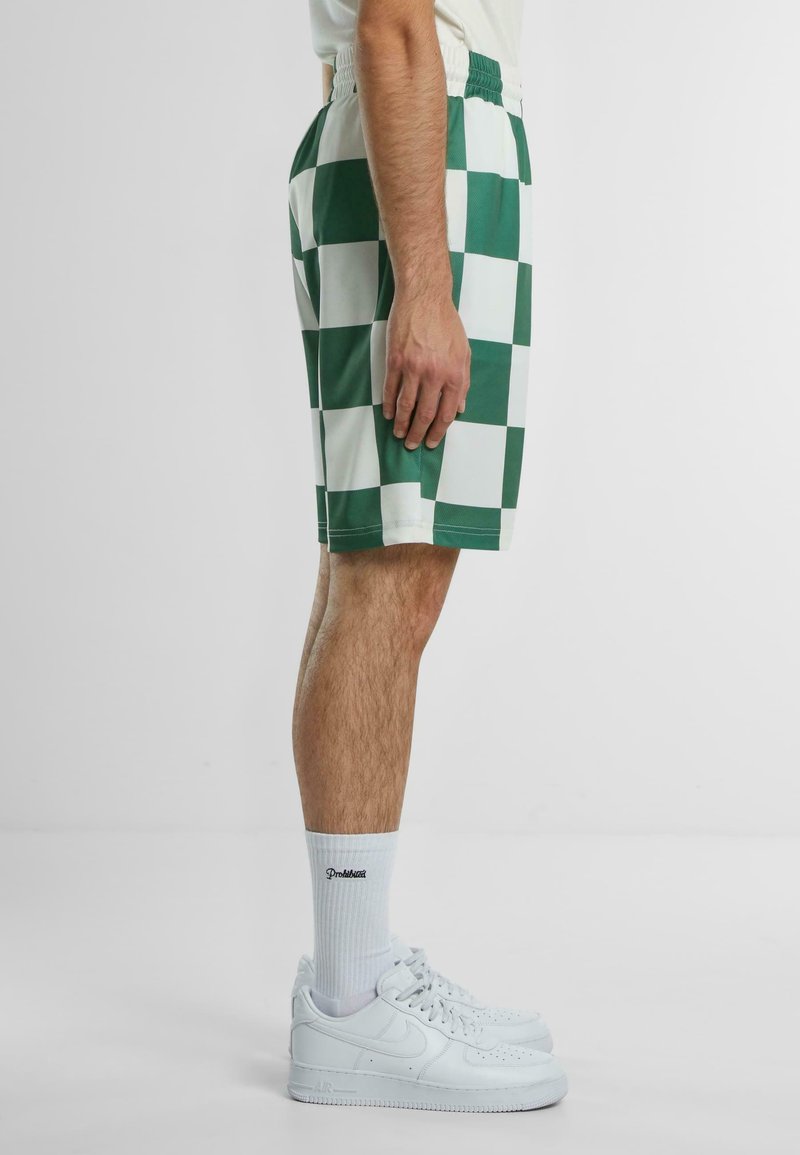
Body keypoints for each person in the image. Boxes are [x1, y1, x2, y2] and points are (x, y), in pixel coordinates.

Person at [286, 0, 567, 1111]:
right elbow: (394, 21)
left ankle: (356, 972)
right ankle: (351, 1004)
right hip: (421, 134)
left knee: (378, 565)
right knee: (386, 575)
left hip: (420, 132)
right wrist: (426, 280)